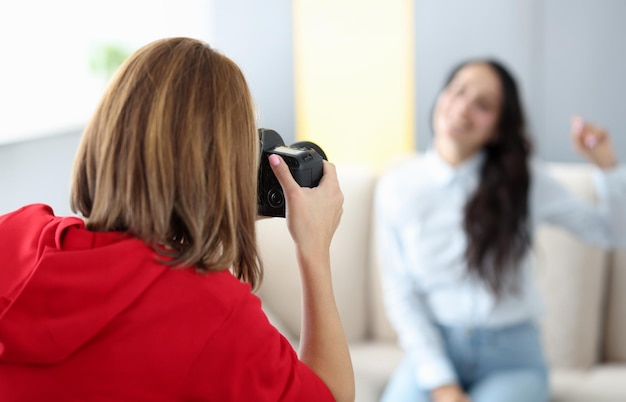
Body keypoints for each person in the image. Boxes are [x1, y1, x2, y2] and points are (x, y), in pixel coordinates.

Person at [0, 37, 354, 402]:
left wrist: (218, 214)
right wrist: (313, 248)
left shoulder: (12, 235)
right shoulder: (213, 313)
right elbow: (331, 396)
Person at [375, 58, 626, 402]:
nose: (463, 107)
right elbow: (401, 295)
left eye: (483, 105)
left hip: (512, 360)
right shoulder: (397, 186)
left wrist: (608, 167)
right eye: (458, 90)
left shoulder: (525, 181)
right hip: (434, 351)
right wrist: (443, 384)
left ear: (497, 128)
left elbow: (612, 232)